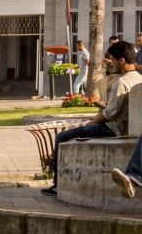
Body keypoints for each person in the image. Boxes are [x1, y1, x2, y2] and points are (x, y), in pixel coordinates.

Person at [45, 41, 139, 195]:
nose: (111, 65)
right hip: (127, 126)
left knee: (62, 136)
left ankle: (57, 184)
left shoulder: (122, 82)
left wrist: (93, 120)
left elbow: (110, 113)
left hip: (113, 128)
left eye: (113, 61)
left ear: (121, 61)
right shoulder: (139, 79)